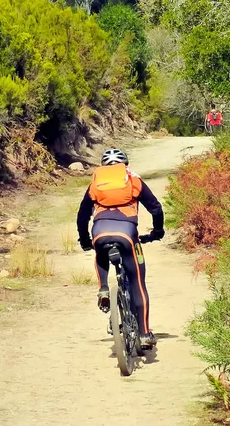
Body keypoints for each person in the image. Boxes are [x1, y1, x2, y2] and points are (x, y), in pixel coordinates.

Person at [76, 148, 165, 348]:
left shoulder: (95, 185)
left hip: (100, 232)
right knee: (138, 283)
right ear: (125, 165)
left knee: (100, 251)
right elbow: (156, 208)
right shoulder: (134, 181)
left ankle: (104, 289)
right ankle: (143, 334)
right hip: (127, 234)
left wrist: (84, 240)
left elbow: (82, 216)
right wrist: (157, 232)